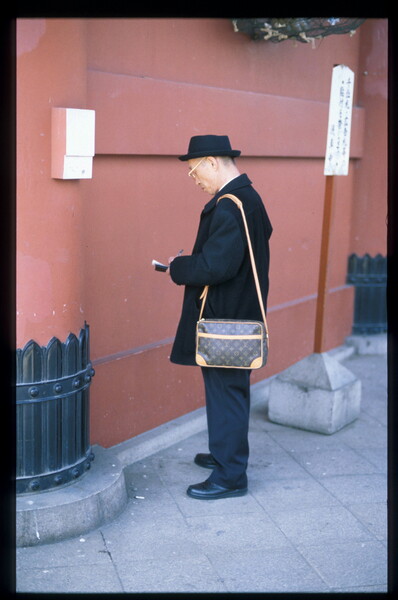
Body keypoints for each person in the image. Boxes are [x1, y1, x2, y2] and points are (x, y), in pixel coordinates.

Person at [168, 135, 272, 500]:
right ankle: (223, 454)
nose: (194, 180)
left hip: (224, 319)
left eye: (195, 171)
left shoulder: (229, 205)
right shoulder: (249, 198)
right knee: (229, 391)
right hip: (239, 314)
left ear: (212, 162)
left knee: (226, 393)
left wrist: (176, 266)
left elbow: (217, 265)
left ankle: (230, 476)